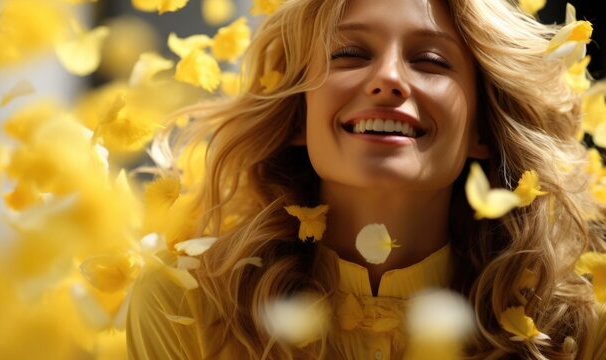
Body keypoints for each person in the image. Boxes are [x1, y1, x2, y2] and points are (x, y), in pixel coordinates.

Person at [125, 0, 606, 358]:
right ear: (297, 116)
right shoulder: (186, 308)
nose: (389, 78)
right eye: (351, 53)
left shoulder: (577, 328)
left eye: (431, 61)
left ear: (481, 128)